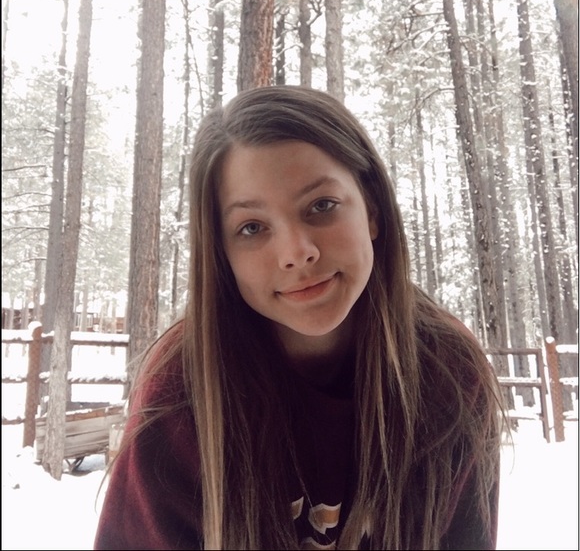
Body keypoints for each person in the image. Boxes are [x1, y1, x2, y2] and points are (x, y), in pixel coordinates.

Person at [94, 85, 504, 550]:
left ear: (371, 208)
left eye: (321, 206)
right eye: (252, 228)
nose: (296, 252)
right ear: (221, 252)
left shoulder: (448, 369)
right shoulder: (183, 391)